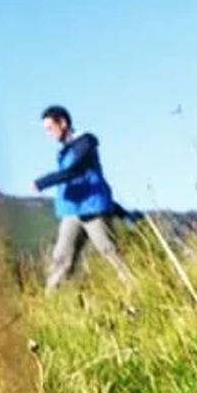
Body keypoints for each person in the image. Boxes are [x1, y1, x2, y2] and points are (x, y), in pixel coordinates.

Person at [32, 105, 133, 292]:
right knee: (61, 260)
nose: (49, 134)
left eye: (50, 128)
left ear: (62, 122)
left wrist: (42, 182)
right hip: (71, 212)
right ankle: (50, 304)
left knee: (110, 253)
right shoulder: (64, 151)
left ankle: (136, 288)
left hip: (92, 210)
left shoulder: (84, 143)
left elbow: (74, 171)